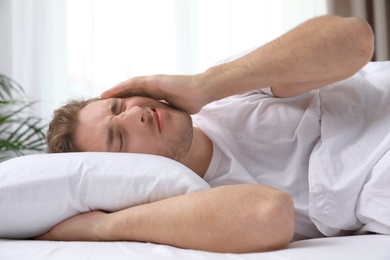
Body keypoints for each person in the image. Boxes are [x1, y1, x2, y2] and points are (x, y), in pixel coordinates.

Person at [38, 15, 389, 253]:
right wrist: (101, 227)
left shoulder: (222, 92)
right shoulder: (188, 206)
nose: (136, 115)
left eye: (120, 105)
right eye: (119, 139)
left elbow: (355, 39)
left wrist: (205, 85)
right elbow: (270, 213)